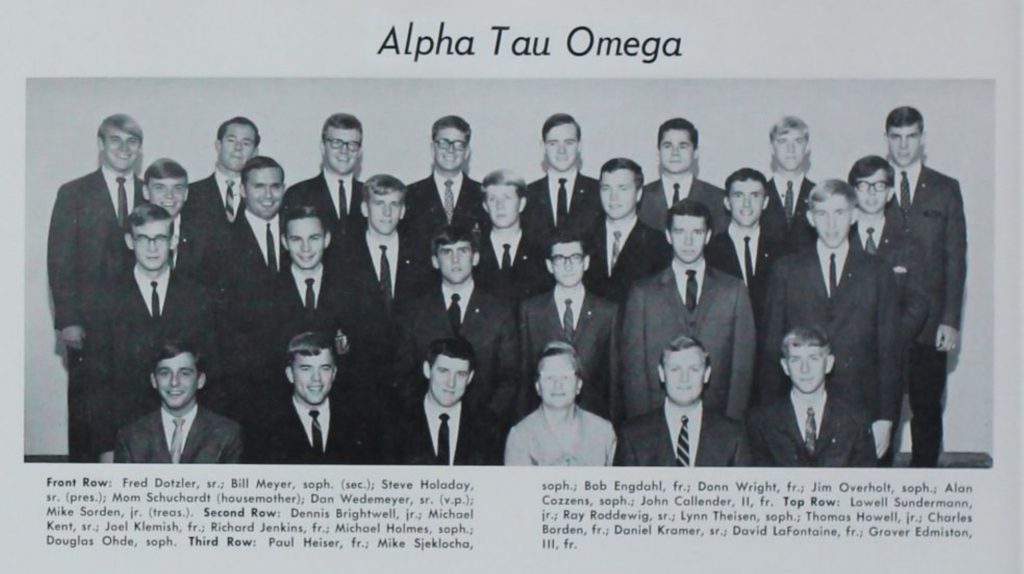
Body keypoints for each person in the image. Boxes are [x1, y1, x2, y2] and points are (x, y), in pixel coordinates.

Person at [759, 179, 900, 461]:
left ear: (855, 215)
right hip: (800, 407)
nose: (832, 223)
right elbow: (771, 346)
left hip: (861, 406)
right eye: (822, 214)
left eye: (840, 213)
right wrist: (769, 417)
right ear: (811, 218)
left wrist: (886, 416)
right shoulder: (786, 270)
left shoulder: (878, 272)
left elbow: (889, 349)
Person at [47, 113, 145, 461]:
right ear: (101, 145)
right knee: (88, 406)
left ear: (140, 149)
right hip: (88, 324)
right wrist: (68, 319)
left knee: (136, 404)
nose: (124, 148)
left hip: (138, 321)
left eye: (132, 141)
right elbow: (59, 260)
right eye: (116, 140)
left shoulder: (150, 192)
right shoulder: (74, 192)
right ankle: (84, 480)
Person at [92, 204, 216, 461]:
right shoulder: (106, 298)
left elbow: (210, 370)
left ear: (173, 241)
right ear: (129, 241)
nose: (152, 247)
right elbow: (97, 380)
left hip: (185, 433)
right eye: (143, 238)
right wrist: (106, 446)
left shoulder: (198, 295)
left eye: (160, 238)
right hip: (126, 432)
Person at [883, 106, 967, 467]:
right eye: (896, 137)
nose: (903, 146)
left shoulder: (946, 189)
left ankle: (925, 486)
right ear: (887, 139)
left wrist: (950, 319)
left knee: (927, 408)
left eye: (911, 137)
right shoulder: (872, 183)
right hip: (882, 320)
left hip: (930, 324)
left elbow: (955, 259)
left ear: (922, 138)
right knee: (880, 409)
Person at [622, 199, 755, 421]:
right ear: (668, 235)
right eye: (680, 232)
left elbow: (743, 367)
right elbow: (633, 369)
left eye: (697, 232)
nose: (688, 241)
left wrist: (733, 423)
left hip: (717, 417)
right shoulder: (643, 292)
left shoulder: (733, 290)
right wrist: (642, 425)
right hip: (657, 415)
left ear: (708, 235)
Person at [394, 225, 520, 424]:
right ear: (435, 261)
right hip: (427, 428)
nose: (455, 259)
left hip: (485, 428)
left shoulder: (500, 312)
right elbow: (404, 377)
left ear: (475, 258)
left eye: (463, 251)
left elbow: (510, 378)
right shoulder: (414, 313)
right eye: (447, 252)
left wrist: (487, 422)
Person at [335, 174, 433, 403]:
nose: (387, 213)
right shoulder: (343, 255)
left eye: (394, 204)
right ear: (364, 209)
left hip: (411, 379)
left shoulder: (421, 253)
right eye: (379, 204)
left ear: (403, 211)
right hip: (359, 378)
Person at [214, 156, 290, 421]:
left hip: (297, 380)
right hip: (244, 382)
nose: (268, 195)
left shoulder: (299, 237)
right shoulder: (220, 243)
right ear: (243, 191)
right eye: (259, 187)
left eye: (275, 186)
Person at [519, 230, 620, 421]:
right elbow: (526, 377)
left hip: (593, 419)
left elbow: (613, 380)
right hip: (545, 420)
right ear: (549, 265)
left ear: (586, 262)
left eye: (575, 257)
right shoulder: (531, 311)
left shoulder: (607, 312)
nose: (568, 265)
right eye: (559, 258)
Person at [747, 327, 876, 467]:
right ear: (785, 366)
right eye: (796, 360)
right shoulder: (761, 422)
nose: (805, 369)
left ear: (829, 363)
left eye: (813, 359)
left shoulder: (856, 421)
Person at [616, 335, 750, 466]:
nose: (684, 378)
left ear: (706, 374)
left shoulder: (733, 436)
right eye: (675, 369)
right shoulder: (633, 436)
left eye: (693, 369)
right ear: (662, 374)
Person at [114, 340, 242, 464]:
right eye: (165, 373)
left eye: (184, 373)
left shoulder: (227, 434)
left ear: (200, 380)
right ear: (154, 380)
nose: (174, 382)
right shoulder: (130, 437)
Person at [257, 332, 376, 464]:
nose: (316, 378)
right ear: (290, 374)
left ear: (334, 373)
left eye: (325, 368)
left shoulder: (361, 424)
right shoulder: (265, 429)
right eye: (306, 369)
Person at [383, 337, 501, 465]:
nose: (451, 383)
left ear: (470, 378)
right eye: (443, 371)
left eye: (461, 374)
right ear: (427, 370)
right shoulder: (394, 426)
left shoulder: (487, 429)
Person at [505, 342, 616, 466]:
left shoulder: (603, 431)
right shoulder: (520, 436)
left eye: (565, 377)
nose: (558, 385)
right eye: (549, 377)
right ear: (538, 387)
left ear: (579, 384)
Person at [583, 157, 672, 305]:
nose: (613, 197)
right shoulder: (584, 238)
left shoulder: (658, 243)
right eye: (606, 188)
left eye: (622, 188)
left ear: (638, 194)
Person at [705, 167, 786, 325]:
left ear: (765, 202)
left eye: (755, 196)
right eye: (738, 196)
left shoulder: (783, 249)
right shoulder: (709, 250)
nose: (747, 203)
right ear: (727, 203)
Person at [282, 113, 366, 245]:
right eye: (336, 143)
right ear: (322, 147)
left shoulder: (370, 195)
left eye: (352, 144)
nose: (344, 150)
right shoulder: (297, 194)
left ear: (360, 151)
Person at [474, 169, 552, 309]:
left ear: (521, 204)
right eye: (493, 199)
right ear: (485, 206)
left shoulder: (540, 249)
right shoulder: (474, 248)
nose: (500, 206)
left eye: (507, 198)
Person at [403, 115, 487, 242]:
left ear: (467, 152)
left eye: (458, 144)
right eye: (443, 143)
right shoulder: (409, 195)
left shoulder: (483, 195)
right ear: (432, 149)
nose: (450, 150)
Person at [638, 118, 728, 233]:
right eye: (667, 146)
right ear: (658, 151)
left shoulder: (718, 199)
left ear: (695, 152)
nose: (675, 153)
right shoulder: (639, 198)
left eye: (683, 146)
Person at [521, 113, 602, 241]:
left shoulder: (599, 191)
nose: (561, 150)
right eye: (553, 143)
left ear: (579, 146)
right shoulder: (527, 194)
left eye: (569, 143)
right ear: (543, 147)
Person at [143, 158, 221, 289]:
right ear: (146, 192)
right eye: (160, 188)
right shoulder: (132, 232)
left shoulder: (206, 234)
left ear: (186, 194)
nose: (169, 196)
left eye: (177, 189)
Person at [185, 116, 261, 230]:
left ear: (255, 152)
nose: (238, 148)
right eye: (231, 140)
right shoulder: (190, 194)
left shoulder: (263, 197)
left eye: (246, 143)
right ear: (218, 146)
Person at [760, 116, 816, 251]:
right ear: (772, 148)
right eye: (783, 141)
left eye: (798, 141)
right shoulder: (758, 195)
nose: (790, 149)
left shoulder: (819, 194)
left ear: (807, 147)